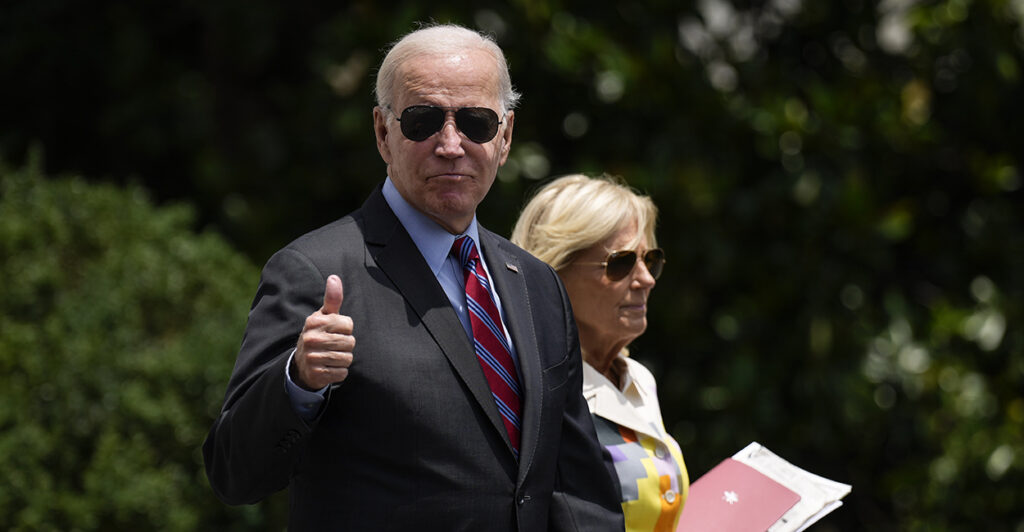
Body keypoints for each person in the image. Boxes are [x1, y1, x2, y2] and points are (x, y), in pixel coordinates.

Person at [202, 24, 624, 531]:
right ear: (383, 132)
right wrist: (299, 381)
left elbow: (576, 487)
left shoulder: (536, 285)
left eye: (476, 122)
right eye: (423, 121)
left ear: (506, 136)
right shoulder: (316, 272)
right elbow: (234, 473)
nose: (451, 144)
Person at [511, 174, 689, 532]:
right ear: (552, 272)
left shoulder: (638, 379)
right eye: (621, 263)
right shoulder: (530, 392)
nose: (646, 279)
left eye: (650, 259)